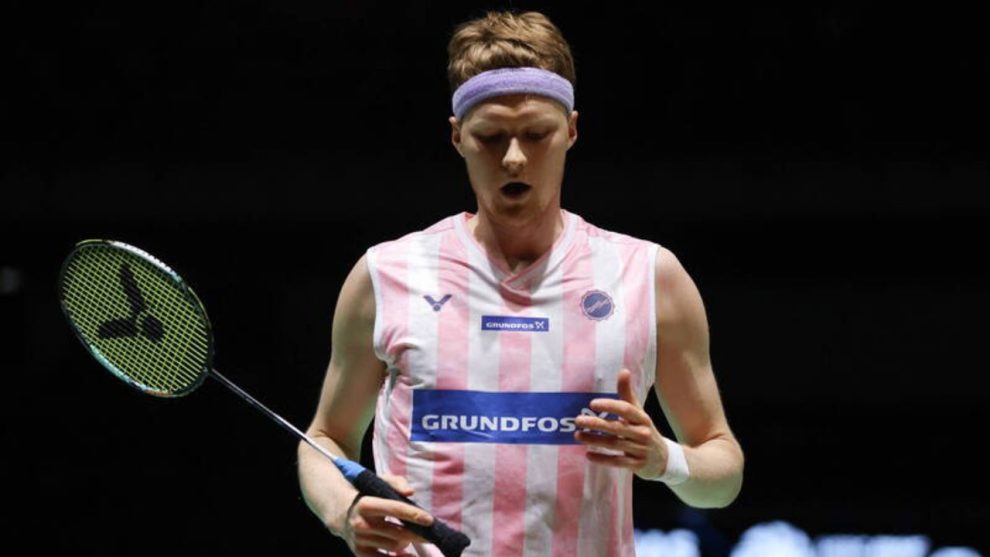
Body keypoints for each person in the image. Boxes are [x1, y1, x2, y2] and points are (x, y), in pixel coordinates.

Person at [297, 10, 744, 557]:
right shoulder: (386, 274)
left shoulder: (648, 276)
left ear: (571, 130)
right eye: (490, 137)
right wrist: (344, 511)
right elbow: (325, 438)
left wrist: (662, 458)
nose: (514, 158)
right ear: (457, 137)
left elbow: (723, 474)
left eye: (536, 135)